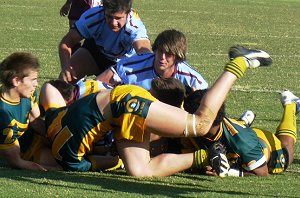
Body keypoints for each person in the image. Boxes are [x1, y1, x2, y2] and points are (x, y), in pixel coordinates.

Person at [40, 45, 271, 176]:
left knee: (199, 125)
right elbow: (48, 88)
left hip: (125, 104)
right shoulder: (52, 118)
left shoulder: (68, 160)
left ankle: (238, 64)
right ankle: (204, 156)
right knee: (140, 171)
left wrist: (109, 156)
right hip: (119, 112)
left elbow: (105, 162)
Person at [181, 88, 299, 176]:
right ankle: (243, 122)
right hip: (239, 133)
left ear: (202, 119)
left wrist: (229, 172)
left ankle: (291, 104)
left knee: (286, 151)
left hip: (266, 149)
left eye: (189, 114)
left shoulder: (242, 141)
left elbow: (262, 173)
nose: (184, 118)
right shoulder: (195, 127)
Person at [59, 0, 151, 83]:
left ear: (128, 13)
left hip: (121, 63)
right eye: (109, 17)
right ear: (103, 10)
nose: (113, 23)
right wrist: (66, 67)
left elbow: (145, 54)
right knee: (65, 80)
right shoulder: (93, 16)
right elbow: (67, 42)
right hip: (95, 52)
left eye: (118, 18)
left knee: (99, 92)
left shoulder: (134, 27)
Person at [97, 29, 208, 91]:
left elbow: (208, 107)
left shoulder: (192, 79)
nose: (162, 57)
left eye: (168, 54)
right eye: (160, 51)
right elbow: (98, 84)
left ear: (178, 56)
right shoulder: (130, 66)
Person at [0, 52, 48, 171]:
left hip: (31, 141)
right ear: (16, 81)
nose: (36, 84)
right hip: (19, 153)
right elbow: (17, 162)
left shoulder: (28, 95)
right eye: (33, 80)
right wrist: (52, 170)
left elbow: (37, 123)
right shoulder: (3, 114)